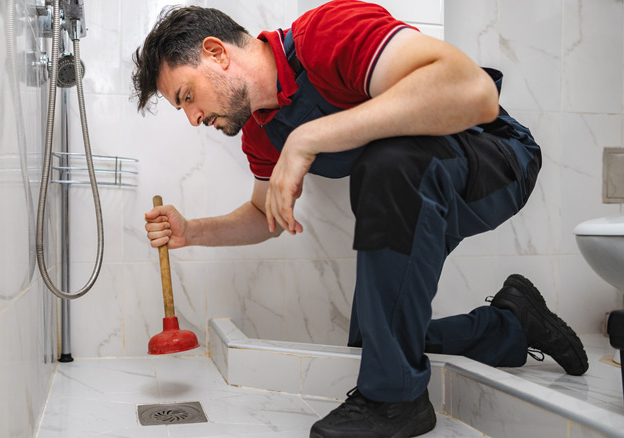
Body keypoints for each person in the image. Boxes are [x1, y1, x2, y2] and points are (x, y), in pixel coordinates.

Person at [132, 2, 588, 437]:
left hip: (497, 158)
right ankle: (511, 325)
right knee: (375, 347)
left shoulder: (325, 34)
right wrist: (192, 232)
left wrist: (309, 137)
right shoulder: (262, 129)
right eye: (182, 108)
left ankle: (397, 401)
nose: (193, 117)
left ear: (215, 52)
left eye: (187, 96)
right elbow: (262, 214)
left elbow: (475, 93)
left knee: (385, 162)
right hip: (422, 187)